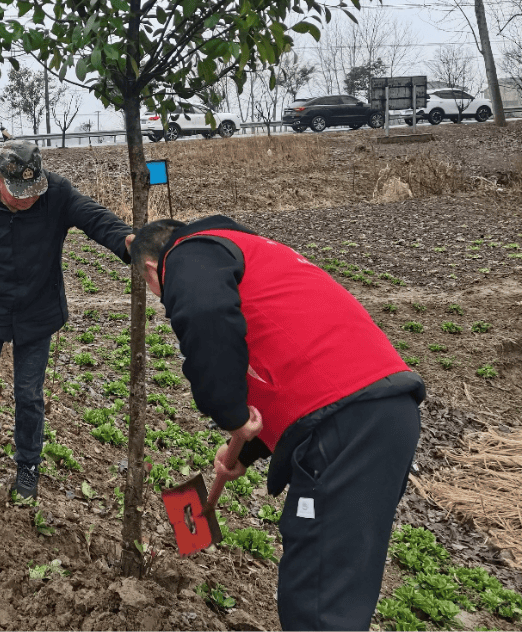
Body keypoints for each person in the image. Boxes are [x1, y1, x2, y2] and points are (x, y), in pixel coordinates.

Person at [128, 215, 424, 632]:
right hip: (380, 411)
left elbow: (206, 314)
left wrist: (229, 415)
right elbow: (290, 361)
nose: (161, 296)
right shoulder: (254, 256)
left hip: (348, 424)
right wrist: (246, 450)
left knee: (318, 598)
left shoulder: (188, 253)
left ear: (148, 270)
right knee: (336, 580)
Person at [0, 142, 133, 499]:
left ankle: (28, 463)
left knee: (29, 394)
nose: (28, 199)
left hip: (37, 309)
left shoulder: (56, 193)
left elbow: (93, 217)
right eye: (20, 194)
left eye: (33, 192)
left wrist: (129, 242)